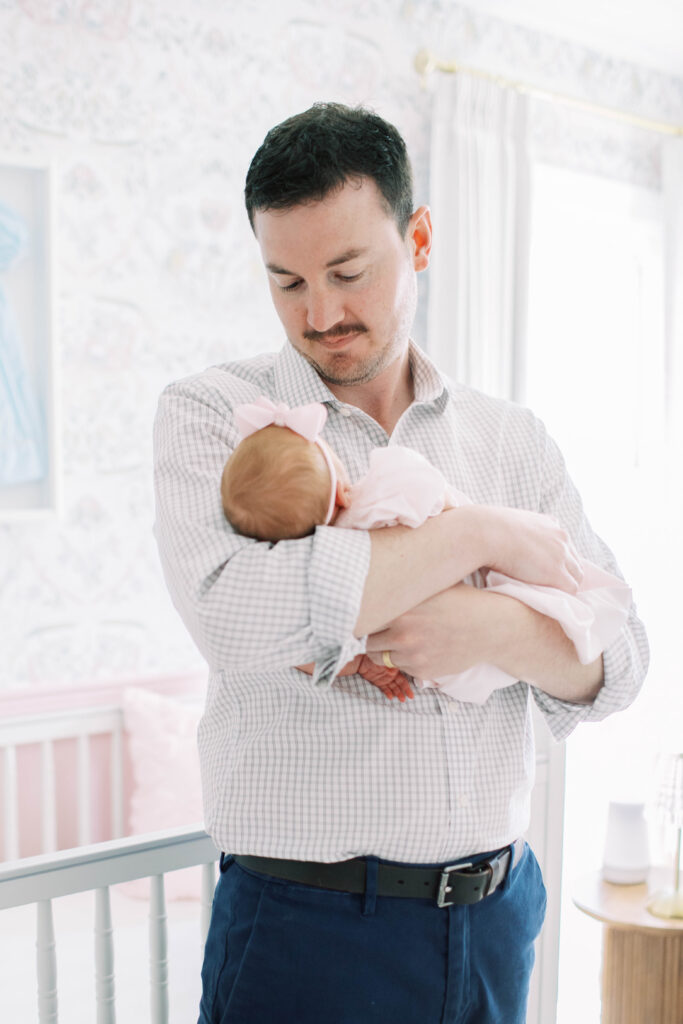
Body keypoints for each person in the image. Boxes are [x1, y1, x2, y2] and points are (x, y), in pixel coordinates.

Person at [153, 102, 649, 1024]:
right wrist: (474, 537)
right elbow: (235, 617)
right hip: (304, 927)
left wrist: (487, 627)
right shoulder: (217, 415)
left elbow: (618, 665)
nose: (320, 314)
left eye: (348, 273)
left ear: (416, 239)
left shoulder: (511, 439)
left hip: (494, 918)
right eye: (287, 282)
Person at [221, 394, 633, 706]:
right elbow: (433, 493)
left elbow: (624, 670)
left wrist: (363, 663)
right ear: (342, 491)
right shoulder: (379, 491)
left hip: (448, 674)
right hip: (482, 594)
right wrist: (478, 531)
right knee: (569, 594)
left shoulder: (318, 570)